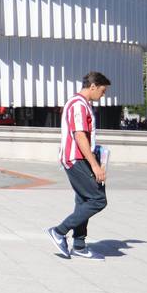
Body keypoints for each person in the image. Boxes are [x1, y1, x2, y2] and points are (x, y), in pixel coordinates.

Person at [47, 72, 111, 260]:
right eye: (102, 90)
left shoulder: (82, 104)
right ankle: (59, 231)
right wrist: (95, 166)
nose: (103, 95)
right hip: (76, 159)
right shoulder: (78, 105)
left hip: (79, 158)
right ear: (93, 86)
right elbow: (80, 136)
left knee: (84, 200)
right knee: (98, 200)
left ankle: (80, 245)